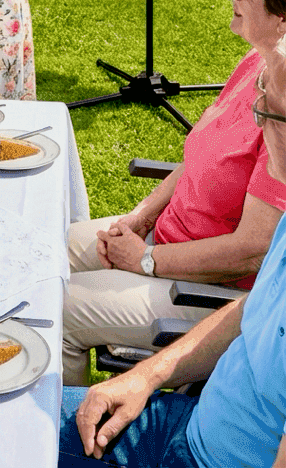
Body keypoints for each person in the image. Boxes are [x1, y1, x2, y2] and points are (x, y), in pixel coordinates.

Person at [63, 0, 286, 386]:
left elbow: (251, 251)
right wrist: (140, 217)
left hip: (205, 289)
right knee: (40, 251)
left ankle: (60, 443)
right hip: (159, 242)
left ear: (283, 17)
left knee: (59, 309)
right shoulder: (255, 64)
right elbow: (198, 158)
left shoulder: (281, 114)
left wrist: (144, 262)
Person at [58, 27, 286, 467]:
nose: (255, 113)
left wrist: (145, 259)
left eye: (269, 109)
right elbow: (254, 308)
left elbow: (245, 253)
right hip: (186, 421)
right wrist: (146, 377)